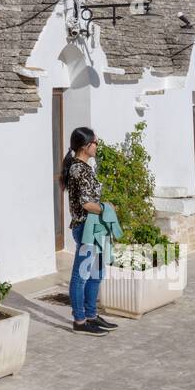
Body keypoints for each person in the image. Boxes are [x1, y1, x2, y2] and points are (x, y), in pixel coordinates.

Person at [62, 127, 118, 336]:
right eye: (95, 142)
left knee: (96, 273)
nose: (97, 146)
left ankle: (91, 315)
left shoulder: (85, 167)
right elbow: (86, 204)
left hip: (96, 227)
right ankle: (80, 320)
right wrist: (106, 208)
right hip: (86, 228)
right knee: (81, 275)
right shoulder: (78, 169)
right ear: (85, 146)